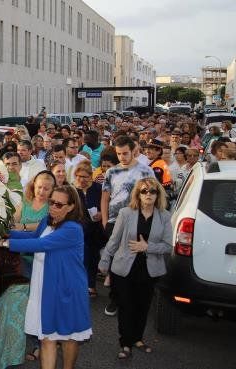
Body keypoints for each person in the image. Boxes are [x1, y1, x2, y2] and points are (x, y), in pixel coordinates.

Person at [0, 185, 92, 369]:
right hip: (44, 285)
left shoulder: (73, 228)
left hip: (67, 288)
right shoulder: (46, 221)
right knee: (47, 336)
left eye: (59, 204)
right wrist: (3, 231)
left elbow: (41, 243)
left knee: (69, 336)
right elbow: (32, 236)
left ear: (71, 207)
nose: (52, 207)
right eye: (51, 202)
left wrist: (5, 243)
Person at [99, 178, 172, 359]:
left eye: (152, 191)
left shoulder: (164, 216)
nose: (148, 194)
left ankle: (137, 339)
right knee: (126, 306)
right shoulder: (126, 213)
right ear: (138, 195)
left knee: (142, 306)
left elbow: (168, 246)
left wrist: (147, 247)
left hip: (149, 270)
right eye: (144, 191)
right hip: (124, 268)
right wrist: (105, 260)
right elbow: (114, 240)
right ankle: (125, 343)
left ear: (158, 194)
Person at [100, 136, 155, 317]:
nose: (122, 157)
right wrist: (105, 220)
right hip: (114, 223)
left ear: (134, 151)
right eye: (119, 154)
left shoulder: (146, 171)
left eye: (125, 153)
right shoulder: (111, 172)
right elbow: (105, 198)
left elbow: (153, 197)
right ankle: (115, 298)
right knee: (116, 263)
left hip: (139, 223)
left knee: (135, 262)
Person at [72, 161, 104, 297]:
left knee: (92, 257)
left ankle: (91, 285)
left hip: (95, 229)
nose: (81, 179)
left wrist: (102, 214)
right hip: (79, 229)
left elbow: (106, 206)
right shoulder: (72, 189)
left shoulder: (98, 188)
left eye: (84, 176)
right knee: (81, 258)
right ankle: (80, 285)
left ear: (90, 176)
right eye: (78, 176)